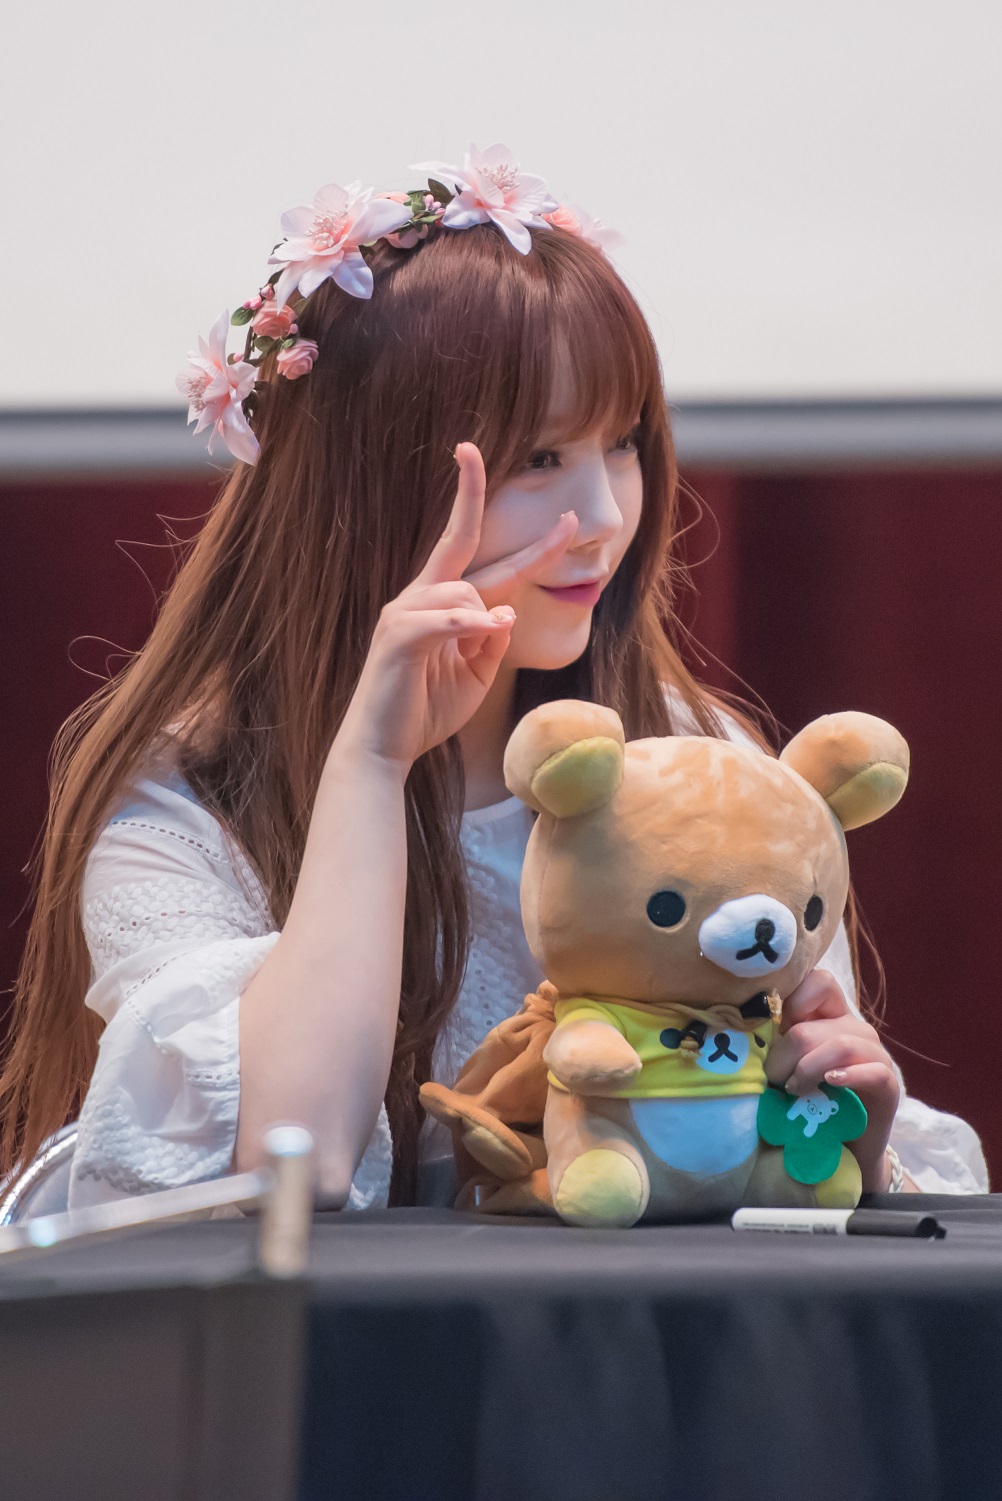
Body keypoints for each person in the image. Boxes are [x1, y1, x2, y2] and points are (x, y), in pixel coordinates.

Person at [0, 145, 987, 1210]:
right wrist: (371, 764)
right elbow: (297, 1161)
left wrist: (847, 1140)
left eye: (623, 445)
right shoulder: (185, 810)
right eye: (538, 460)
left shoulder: (693, 764)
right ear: (369, 485)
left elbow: (774, 1161)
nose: (604, 517)